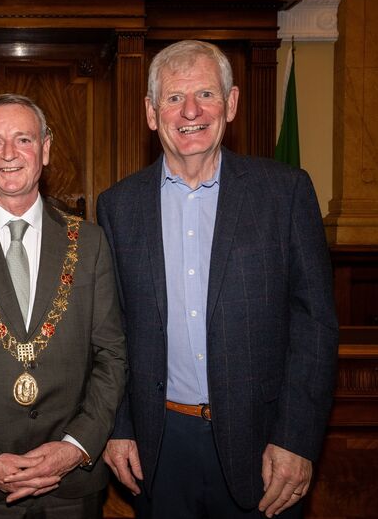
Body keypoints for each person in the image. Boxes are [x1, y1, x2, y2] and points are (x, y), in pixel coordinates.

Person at [96, 40, 338, 518]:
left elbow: (315, 326)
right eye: (173, 97)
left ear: (231, 103)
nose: (191, 111)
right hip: (159, 447)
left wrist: (296, 438)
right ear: (151, 113)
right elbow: (111, 330)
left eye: (205, 94)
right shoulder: (118, 206)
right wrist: (120, 427)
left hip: (265, 446)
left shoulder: (285, 193)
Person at [0, 93, 126, 518]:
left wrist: (75, 448)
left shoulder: (89, 243)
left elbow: (112, 356)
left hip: (72, 487)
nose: (9, 153)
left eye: (23, 139)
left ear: (45, 149)